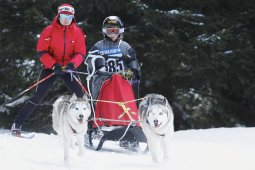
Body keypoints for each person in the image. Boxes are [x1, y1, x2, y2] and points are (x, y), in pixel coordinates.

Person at [11, 3, 86, 136]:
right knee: (38, 96)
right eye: (63, 16)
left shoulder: (77, 32)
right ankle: (17, 124)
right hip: (51, 69)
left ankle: (90, 129)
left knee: (81, 98)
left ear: (73, 17)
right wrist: (53, 65)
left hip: (69, 69)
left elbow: (80, 53)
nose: (66, 19)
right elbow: (42, 51)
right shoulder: (49, 30)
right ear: (58, 15)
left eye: (69, 16)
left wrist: (72, 64)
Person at [85, 16, 141, 100]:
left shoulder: (124, 46)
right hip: (103, 77)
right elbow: (89, 61)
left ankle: (134, 103)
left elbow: (134, 58)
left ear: (120, 32)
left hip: (122, 76)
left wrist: (130, 63)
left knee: (135, 77)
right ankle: (95, 104)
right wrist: (98, 61)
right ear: (104, 32)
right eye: (109, 30)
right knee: (98, 89)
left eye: (115, 30)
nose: (112, 33)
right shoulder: (98, 45)